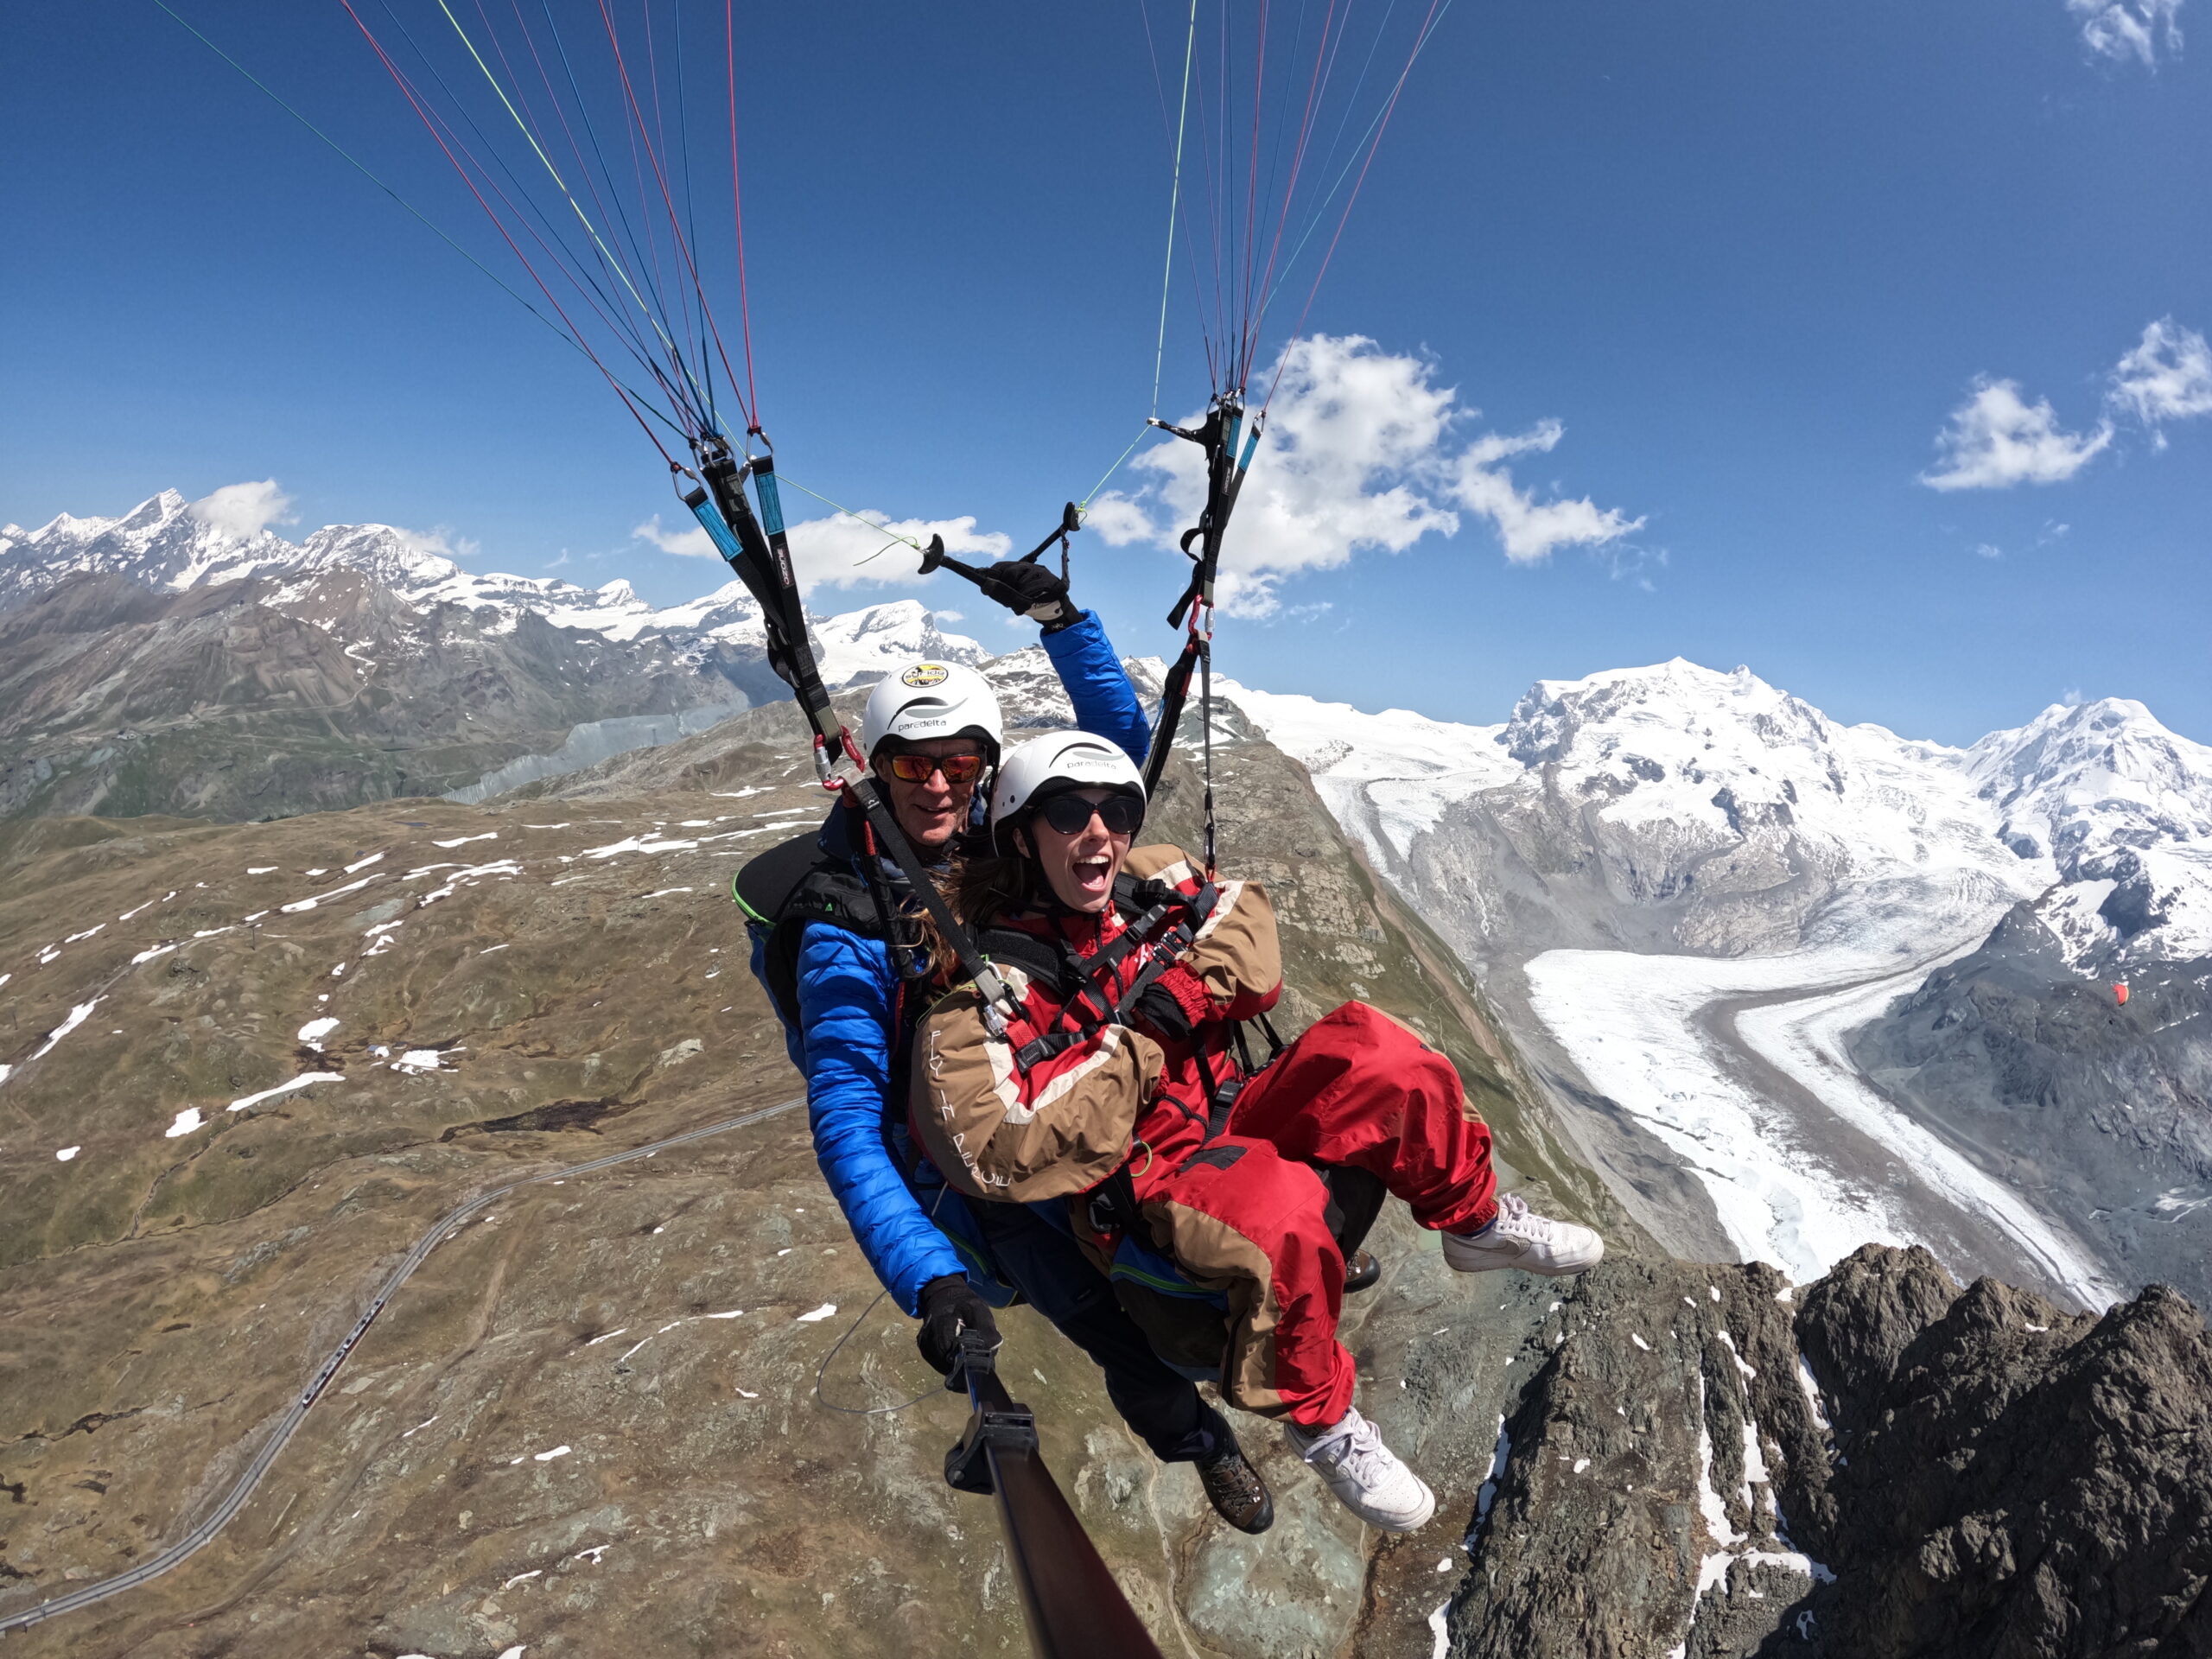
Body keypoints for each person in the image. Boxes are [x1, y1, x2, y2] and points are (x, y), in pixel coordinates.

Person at [908, 733, 1605, 1533]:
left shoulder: (1150, 882)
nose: (1099, 831)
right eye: (1069, 813)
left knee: (1381, 1052)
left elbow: (1246, 922)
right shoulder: (982, 1005)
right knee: (1278, 1213)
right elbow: (1002, 1148)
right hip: (1154, 1180)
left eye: (1117, 812)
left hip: (1234, 1103)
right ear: (1021, 836)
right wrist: (1141, 1040)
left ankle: (1475, 1221)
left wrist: (1170, 1003)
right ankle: (1323, 1421)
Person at [739, 556, 1280, 1535]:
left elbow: (1114, 749)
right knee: (1100, 1318)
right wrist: (930, 1276)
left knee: (1209, 1147)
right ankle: (1201, 1443)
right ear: (876, 765)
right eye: (913, 765)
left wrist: (1060, 618)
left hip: (1059, 1074)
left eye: (960, 764)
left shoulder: (1001, 836)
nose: (939, 786)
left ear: (985, 768)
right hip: (969, 1165)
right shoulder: (844, 925)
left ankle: (1285, 1267)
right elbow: (850, 1119)